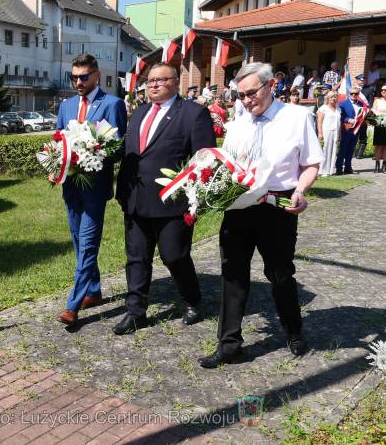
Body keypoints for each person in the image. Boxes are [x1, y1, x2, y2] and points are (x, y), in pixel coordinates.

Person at [198, 62, 323, 368]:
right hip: (239, 207)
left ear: (270, 86)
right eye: (240, 96)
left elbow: (311, 163)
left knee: (279, 272)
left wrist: (301, 191)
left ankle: (293, 331)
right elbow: (226, 165)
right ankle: (229, 345)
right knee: (233, 273)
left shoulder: (296, 117)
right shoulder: (240, 121)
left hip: (277, 206)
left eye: (251, 93)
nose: (246, 100)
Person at [114, 63, 215, 335]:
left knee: (175, 256)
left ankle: (192, 299)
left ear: (175, 82)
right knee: (136, 257)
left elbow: (205, 160)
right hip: (135, 199)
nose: (154, 85)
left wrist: (195, 198)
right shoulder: (139, 113)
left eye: (161, 80)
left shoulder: (194, 114)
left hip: (172, 203)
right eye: (150, 80)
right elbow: (129, 152)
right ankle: (136, 312)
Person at [55, 54, 127, 326]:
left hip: (95, 187)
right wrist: (56, 163)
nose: (78, 82)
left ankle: (73, 305)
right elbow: (59, 140)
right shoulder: (67, 106)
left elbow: (119, 147)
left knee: (87, 243)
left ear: (96, 75)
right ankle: (94, 290)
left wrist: (96, 151)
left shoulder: (112, 104)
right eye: (73, 77)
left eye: (83, 77)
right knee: (77, 240)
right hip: (71, 187)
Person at [336, 87, 368, 175]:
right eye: (352, 93)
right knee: (343, 149)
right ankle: (339, 168)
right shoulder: (343, 104)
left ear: (358, 94)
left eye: (356, 94)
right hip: (346, 129)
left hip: (356, 130)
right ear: (349, 94)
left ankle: (348, 167)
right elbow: (339, 116)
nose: (353, 95)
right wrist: (348, 120)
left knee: (351, 149)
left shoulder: (362, 104)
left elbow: (364, 115)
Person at [317, 92, 341, 176]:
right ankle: (322, 170)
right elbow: (319, 121)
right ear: (328, 98)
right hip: (326, 131)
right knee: (325, 150)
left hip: (336, 132)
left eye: (335, 97)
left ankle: (330, 170)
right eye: (332, 97)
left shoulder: (338, 109)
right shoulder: (323, 108)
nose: (334, 99)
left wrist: (340, 134)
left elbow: (339, 122)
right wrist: (320, 133)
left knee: (334, 150)